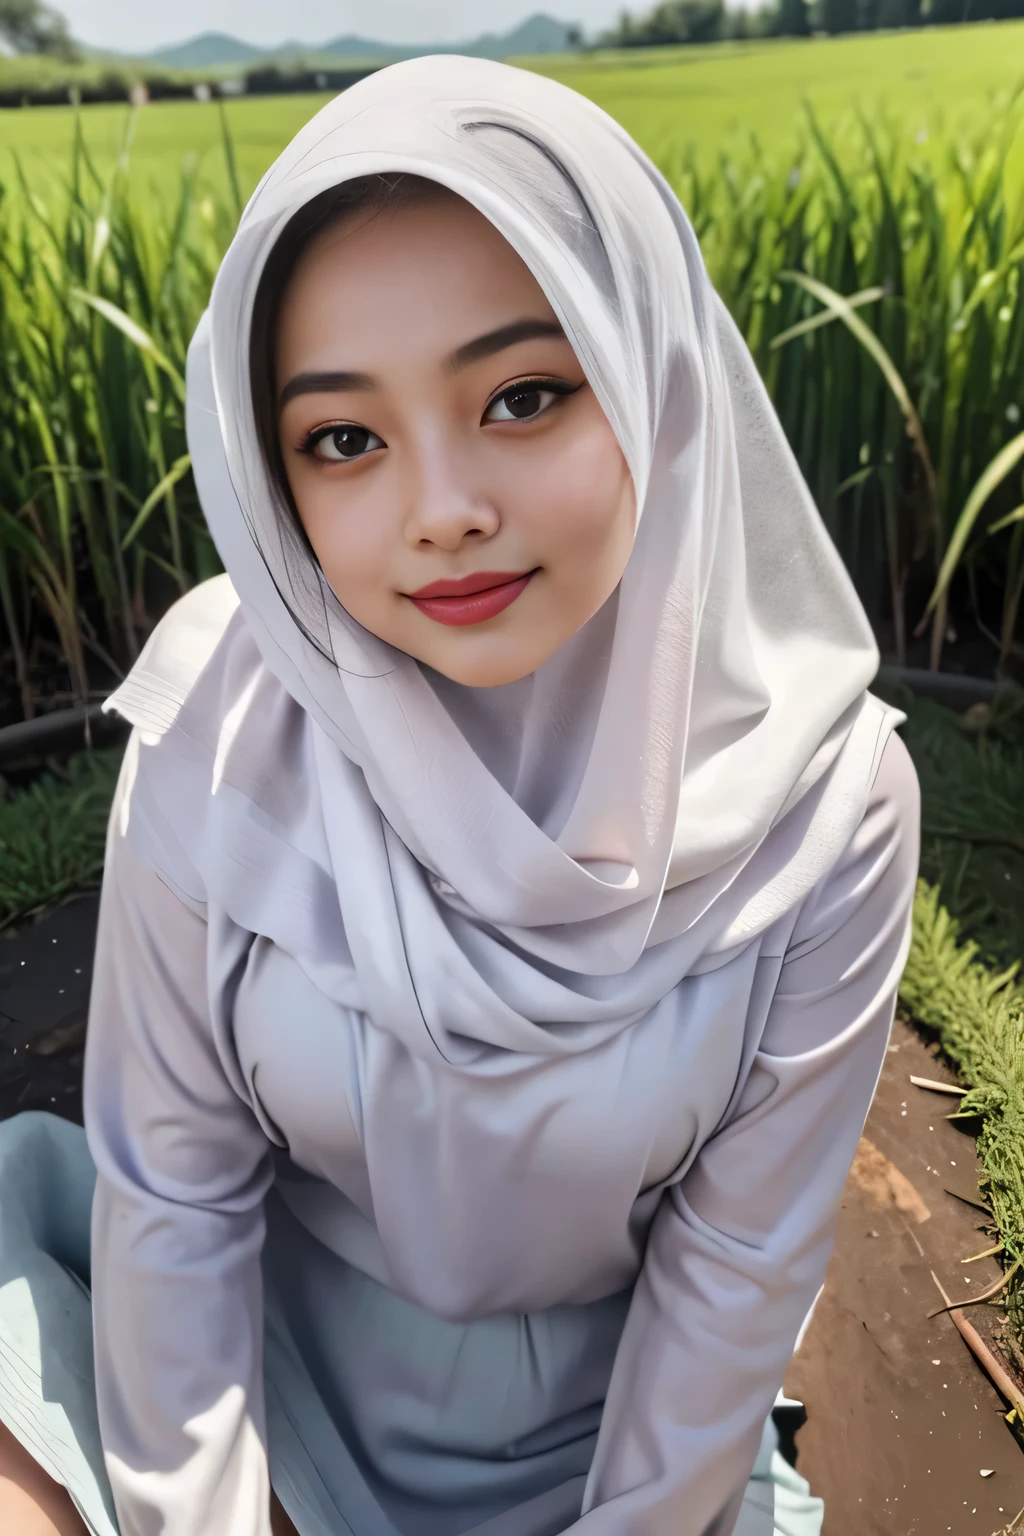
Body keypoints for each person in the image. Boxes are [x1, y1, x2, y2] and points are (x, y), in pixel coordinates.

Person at [0, 54, 919, 1536]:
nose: (442, 511)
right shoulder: (222, 732)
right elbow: (174, 1203)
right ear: (272, 476)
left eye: (526, 394)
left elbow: (738, 1272)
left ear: (653, 376)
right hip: (251, 1363)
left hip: (612, 1429)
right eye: (343, 439)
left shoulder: (824, 804)